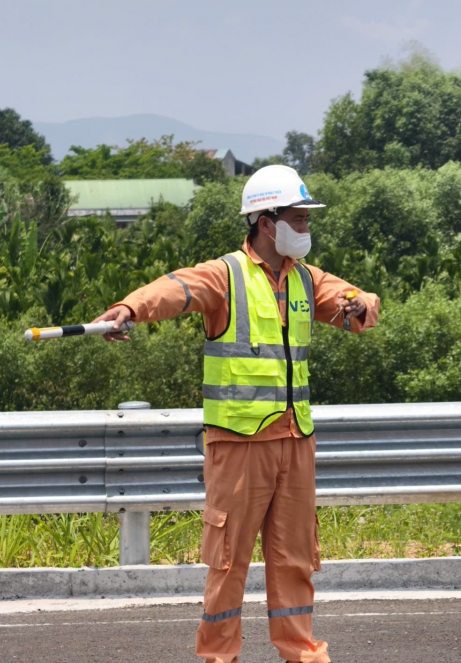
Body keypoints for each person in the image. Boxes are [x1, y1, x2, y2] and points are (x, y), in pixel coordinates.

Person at [92, 165, 379, 663]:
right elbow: (174, 289)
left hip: (295, 440)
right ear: (266, 222)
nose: (307, 228)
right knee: (228, 562)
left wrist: (359, 305)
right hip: (239, 443)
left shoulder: (306, 280)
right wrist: (130, 309)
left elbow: (360, 304)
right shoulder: (224, 275)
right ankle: (219, 657)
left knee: (295, 560)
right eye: (299, 218)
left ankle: (304, 653)